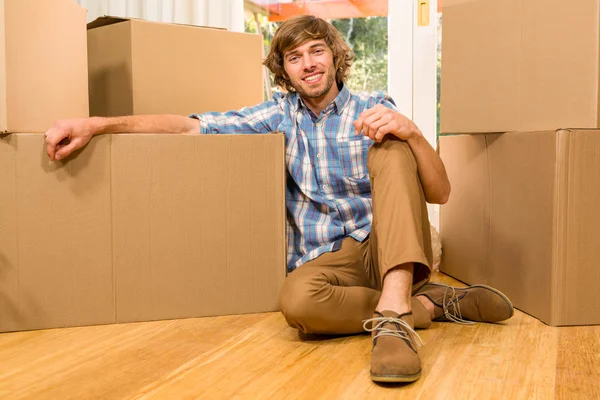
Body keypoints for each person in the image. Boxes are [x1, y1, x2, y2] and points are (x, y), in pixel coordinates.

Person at [45, 15, 513, 383]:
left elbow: (442, 192)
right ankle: (430, 306)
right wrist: (97, 124)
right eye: (294, 57)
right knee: (298, 305)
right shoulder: (278, 115)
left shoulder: (375, 106)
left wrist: (410, 130)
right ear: (284, 71)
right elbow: (190, 125)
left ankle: (394, 317)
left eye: (316, 51)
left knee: (391, 146)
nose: (308, 63)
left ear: (334, 56)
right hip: (333, 256)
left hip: (390, 243)